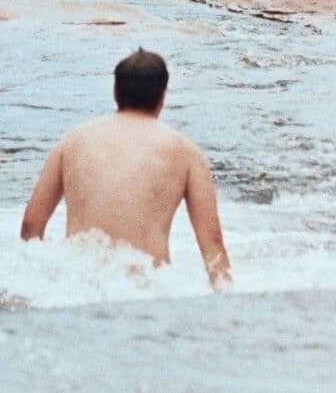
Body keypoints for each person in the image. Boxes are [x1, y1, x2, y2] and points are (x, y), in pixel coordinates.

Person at [20, 48, 231, 288]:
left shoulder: (72, 141)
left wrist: (38, 288)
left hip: (78, 285)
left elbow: (30, 227)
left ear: (115, 92)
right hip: (147, 288)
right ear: (163, 97)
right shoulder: (186, 153)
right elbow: (212, 245)